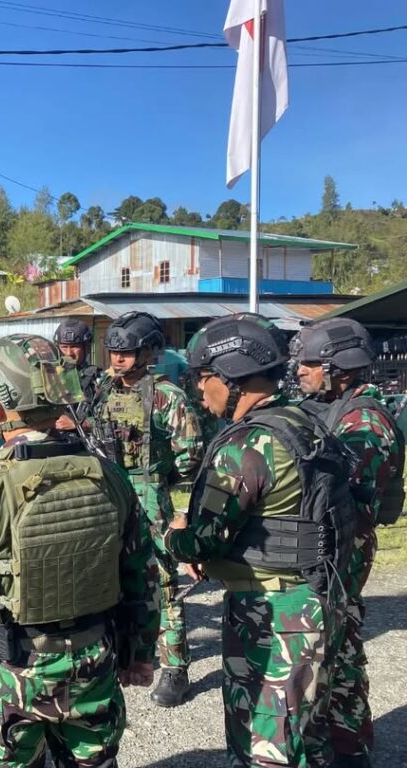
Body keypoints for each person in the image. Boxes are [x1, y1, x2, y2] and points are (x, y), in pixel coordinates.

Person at [0, 334, 159, 768]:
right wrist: (139, 652)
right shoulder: (111, 477)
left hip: (9, 676)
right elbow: (142, 574)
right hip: (93, 668)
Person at [166, 313, 355, 768]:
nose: (198, 389)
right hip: (313, 599)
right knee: (303, 735)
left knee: (265, 747)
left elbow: (202, 542)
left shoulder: (249, 444)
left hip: (272, 613)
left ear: (231, 375)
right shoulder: (304, 421)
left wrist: (175, 538)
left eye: (203, 377)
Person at [291, 318, 405, 768]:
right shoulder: (328, 408)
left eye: (310, 363)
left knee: (340, 643)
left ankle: (349, 744)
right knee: (326, 639)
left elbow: (347, 496)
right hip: (327, 544)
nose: (300, 370)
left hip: (347, 546)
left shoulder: (365, 421)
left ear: (341, 368)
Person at [87, 311, 202, 707]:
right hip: (107, 491)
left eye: (127, 351)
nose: (117, 358)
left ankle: (175, 667)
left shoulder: (167, 395)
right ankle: (122, 654)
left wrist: (177, 508)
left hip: (150, 495)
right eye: (113, 351)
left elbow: (190, 459)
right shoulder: (101, 388)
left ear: (148, 351)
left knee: (162, 581)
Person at [52, 317, 101, 401]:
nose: (69, 353)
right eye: (64, 347)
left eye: (74, 346)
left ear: (87, 348)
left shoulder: (98, 378)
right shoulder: (50, 376)